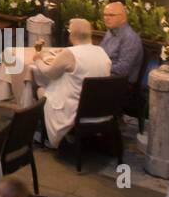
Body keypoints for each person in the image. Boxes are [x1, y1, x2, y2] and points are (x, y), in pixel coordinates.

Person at [31, 17, 111, 147]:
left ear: (71, 34)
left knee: (40, 88)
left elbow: (48, 72)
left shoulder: (70, 53)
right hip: (100, 110)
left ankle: (41, 135)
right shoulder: (101, 52)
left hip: (73, 110)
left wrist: (38, 59)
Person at [100, 1, 144, 84]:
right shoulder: (110, 32)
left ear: (123, 18)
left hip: (120, 84)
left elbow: (123, 70)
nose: (106, 18)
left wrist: (99, 68)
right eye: (105, 15)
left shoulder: (130, 38)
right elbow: (100, 54)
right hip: (105, 76)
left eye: (111, 15)